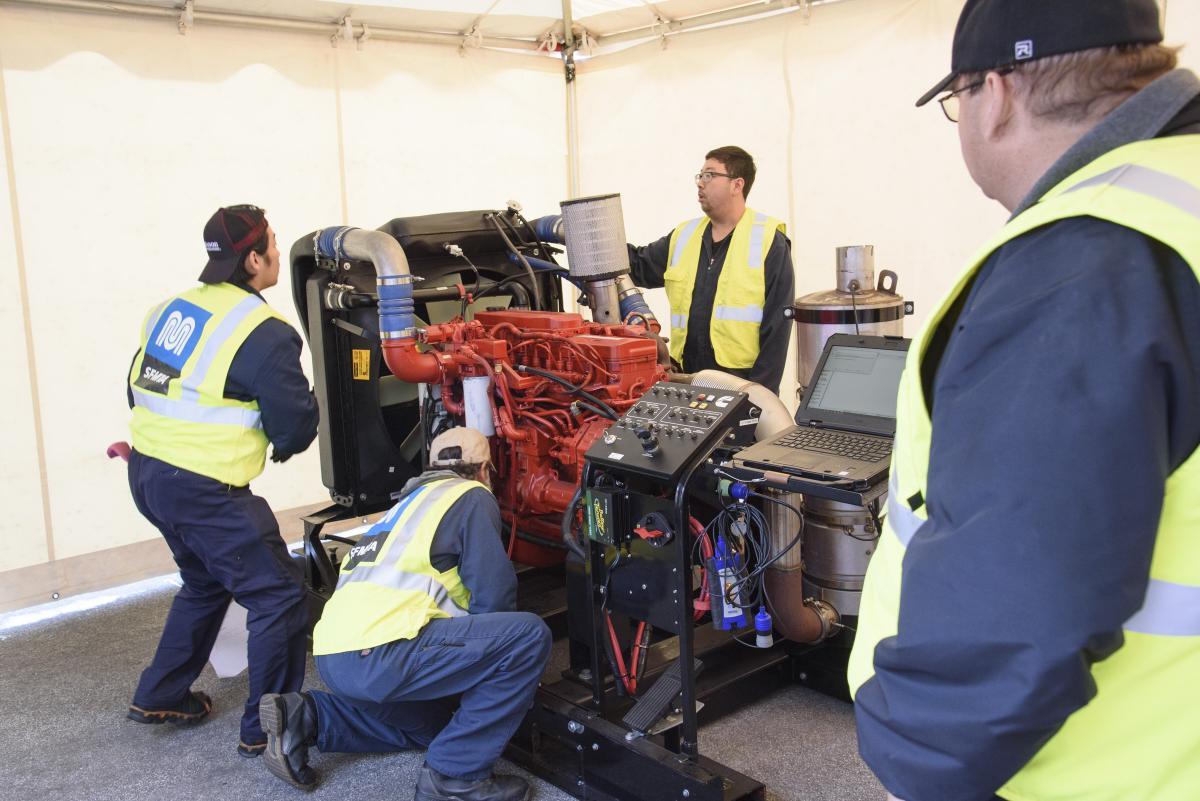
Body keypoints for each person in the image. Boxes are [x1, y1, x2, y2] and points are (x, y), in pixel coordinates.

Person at [847, 2, 1200, 801]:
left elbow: (1009, 613)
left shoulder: (1087, 260)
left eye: (956, 103)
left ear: (995, 94)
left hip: (1097, 773)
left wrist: (912, 748)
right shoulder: (1180, 196)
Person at [258, 426, 552, 801]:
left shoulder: (401, 509)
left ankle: (308, 716)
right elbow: (494, 596)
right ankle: (454, 779)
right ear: (484, 470)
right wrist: (500, 672)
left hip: (334, 656)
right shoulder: (471, 495)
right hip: (383, 654)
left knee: (441, 728)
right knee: (526, 637)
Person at [125, 205, 319, 758]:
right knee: (280, 597)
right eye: (274, 245)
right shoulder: (263, 331)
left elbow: (139, 382)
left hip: (148, 474)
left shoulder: (170, 308)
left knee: (207, 581)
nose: (279, 254)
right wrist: (281, 446)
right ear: (254, 258)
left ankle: (159, 693)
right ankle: (269, 726)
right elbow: (296, 422)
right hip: (206, 490)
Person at [626, 146, 794, 394]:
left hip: (740, 384)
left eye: (710, 175)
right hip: (684, 379)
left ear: (737, 185)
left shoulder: (768, 240)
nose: (700, 184)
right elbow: (638, 265)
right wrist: (593, 239)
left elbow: (777, 326)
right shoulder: (684, 236)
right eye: (700, 175)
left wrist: (760, 394)